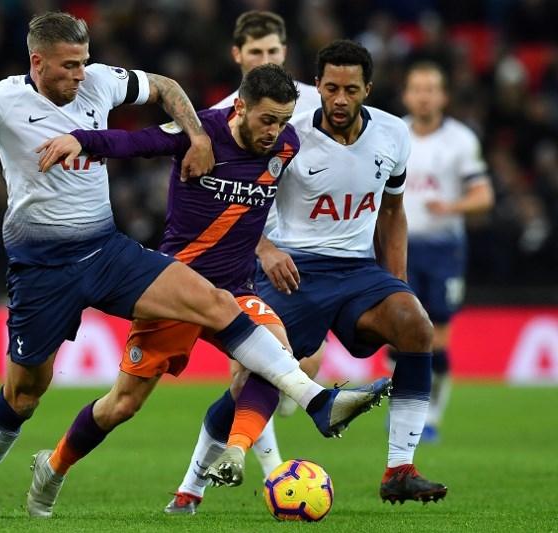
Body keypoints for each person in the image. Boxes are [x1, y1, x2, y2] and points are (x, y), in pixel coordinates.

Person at [0, 13, 381, 519]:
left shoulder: (100, 80)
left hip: (107, 251)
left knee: (215, 302)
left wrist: (194, 136)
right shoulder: (1, 99)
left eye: (85, 62)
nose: (81, 74)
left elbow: (163, 86)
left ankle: (317, 401)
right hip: (42, 266)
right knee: (26, 394)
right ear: (37, 62)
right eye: (68, 65)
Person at [25, 63, 390, 518]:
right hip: (174, 288)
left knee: (275, 354)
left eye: (282, 121)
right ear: (240, 107)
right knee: (122, 405)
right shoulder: (200, 133)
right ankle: (54, 466)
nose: (274, 132)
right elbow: (137, 143)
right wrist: (82, 139)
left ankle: (237, 451)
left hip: (235, 289)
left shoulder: (286, 147)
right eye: (266, 120)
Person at [180, 40, 448, 507]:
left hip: (358, 271)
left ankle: (400, 469)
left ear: (368, 88)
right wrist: (264, 249)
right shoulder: (290, 136)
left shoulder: (392, 134)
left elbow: (392, 211)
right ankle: (191, 487)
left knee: (416, 325)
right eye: (330, 88)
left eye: (350, 89)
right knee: (257, 379)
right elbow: (245, 196)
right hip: (293, 269)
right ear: (317, 87)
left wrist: (398, 282)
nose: (339, 99)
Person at [165, 10, 327, 514]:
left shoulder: (319, 108)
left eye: (272, 51)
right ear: (238, 56)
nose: (264, 58)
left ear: (284, 53)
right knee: (258, 371)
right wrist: (264, 246)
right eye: (254, 52)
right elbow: (218, 203)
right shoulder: (212, 122)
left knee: (291, 368)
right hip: (246, 261)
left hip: (299, 258)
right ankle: (272, 479)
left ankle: (193, 488)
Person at [399, 61, 494, 443]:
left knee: (437, 338)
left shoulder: (461, 140)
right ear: (406, 94)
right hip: (399, 247)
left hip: (443, 250)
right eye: (417, 88)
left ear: (443, 96)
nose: (423, 96)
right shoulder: (394, 134)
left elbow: (483, 195)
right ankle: (405, 411)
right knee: (400, 334)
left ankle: (431, 417)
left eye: (430, 88)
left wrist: (452, 207)